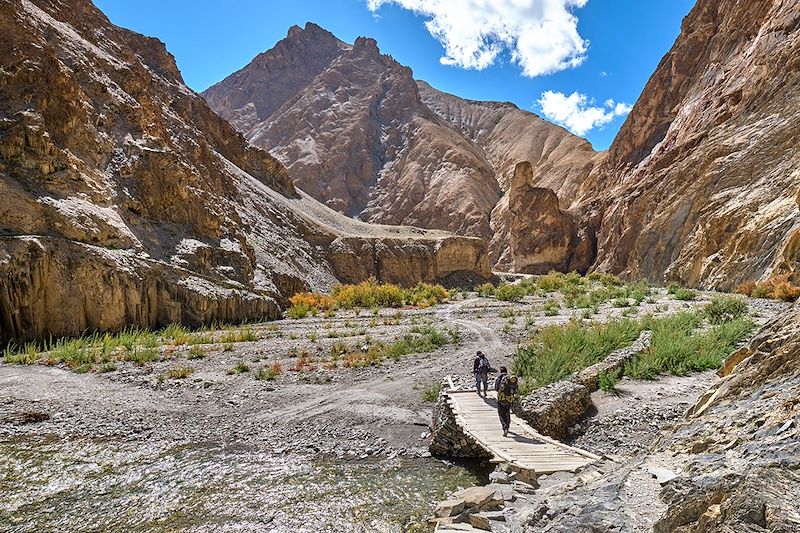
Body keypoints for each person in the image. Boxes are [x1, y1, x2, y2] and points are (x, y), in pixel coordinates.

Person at [494, 366, 519, 437]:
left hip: (501, 399)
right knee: (507, 413)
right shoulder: (510, 379)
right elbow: (516, 388)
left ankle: (504, 426)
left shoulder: (499, 378)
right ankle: (507, 426)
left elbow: (496, 388)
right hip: (509, 399)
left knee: (501, 414)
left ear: (500, 371)